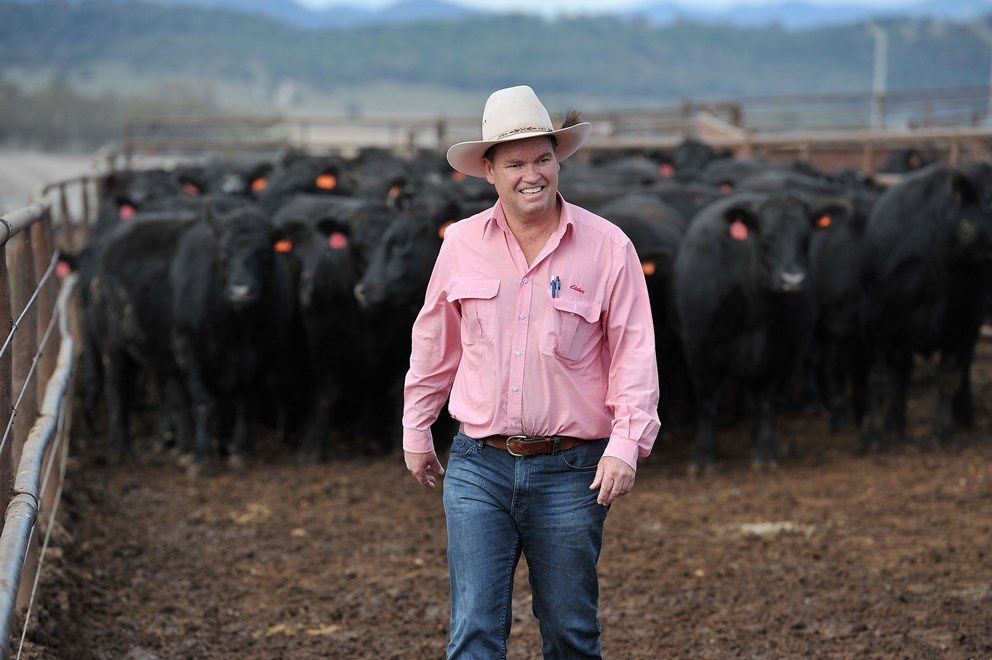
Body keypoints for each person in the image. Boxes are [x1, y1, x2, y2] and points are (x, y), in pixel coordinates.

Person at [402, 85, 660, 659]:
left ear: (558, 160)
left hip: (572, 468)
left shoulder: (608, 246)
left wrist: (625, 444)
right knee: (474, 630)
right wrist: (417, 428)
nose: (532, 175)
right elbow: (434, 342)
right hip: (478, 464)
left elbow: (634, 353)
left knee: (570, 631)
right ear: (488, 171)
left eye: (543, 159)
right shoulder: (462, 243)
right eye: (515, 163)